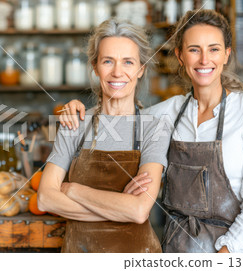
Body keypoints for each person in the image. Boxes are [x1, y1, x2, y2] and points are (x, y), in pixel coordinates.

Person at [58, 10, 243, 253]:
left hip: (230, 252)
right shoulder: (168, 112)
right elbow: (119, 111)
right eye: (194, 50)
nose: (204, 60)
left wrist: (222, 256)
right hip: (175, 249)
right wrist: (79, 110)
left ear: (226, 54)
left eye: (213, 49)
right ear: (180, 56)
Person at [37, 19, 171, 253]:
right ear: (95, 67)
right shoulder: (74, 123)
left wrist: (73, 190)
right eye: (108, 61)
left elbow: (139, 210)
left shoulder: (154, 128)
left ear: (141, 69)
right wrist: (119, 209)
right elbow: (45, 199)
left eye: (128, 62)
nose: (117, 72)